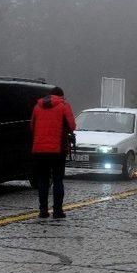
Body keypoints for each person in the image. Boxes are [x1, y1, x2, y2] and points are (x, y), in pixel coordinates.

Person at [30, 86, 76, 219]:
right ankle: (57, 211)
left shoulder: (37, 107)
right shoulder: (64, 106)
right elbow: (72, 126)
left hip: (39, 150)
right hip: (58, 150)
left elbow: (32, 126)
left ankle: (43, 211)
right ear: (61, 96)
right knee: (57, 180)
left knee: (43, 180)